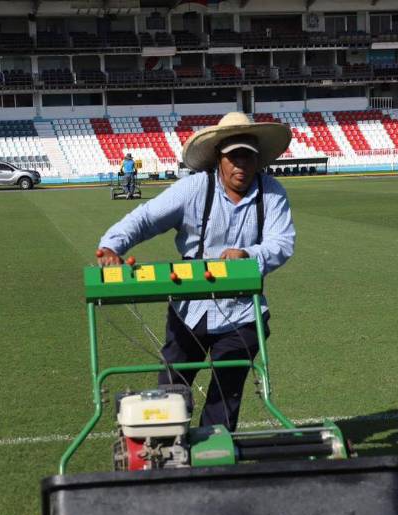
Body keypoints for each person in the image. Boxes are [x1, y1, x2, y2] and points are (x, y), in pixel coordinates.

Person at [96, 112, 294, 431]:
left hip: (242, 312)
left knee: (224, 397)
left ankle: (213, 458)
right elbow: (145, 219)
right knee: (171, 392)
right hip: (189, 310)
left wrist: (248, 255)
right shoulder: (193, 189)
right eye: (233, 156)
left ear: (257, 160)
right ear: (219, 158)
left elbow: (282, 242)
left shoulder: (272, 193)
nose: (241, 164)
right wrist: (112, 246)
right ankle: (165, 451)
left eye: (247, 156)